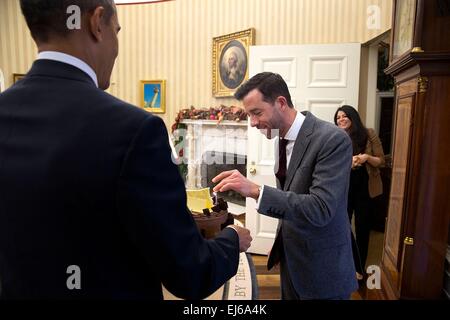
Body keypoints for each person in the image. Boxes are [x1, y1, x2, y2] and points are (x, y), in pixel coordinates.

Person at [0, 0, 252, 300]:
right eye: (116, 31)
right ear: (97, 22)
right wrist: (231, 240)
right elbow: (190, 273)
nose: (117, 46)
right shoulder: (136, 131)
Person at [212, 72, 358, 299]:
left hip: (323, 269)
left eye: (257, 112)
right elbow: (291, 197)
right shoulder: (281, 139)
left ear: (280, 103)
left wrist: (256, 191)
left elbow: (320, 208)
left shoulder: (332, 139)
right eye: (249, 114)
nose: (252, 122)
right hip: (292, 260)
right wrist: (282, 241)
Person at [334, 105, 385, 280]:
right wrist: (349, 163)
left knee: (363, 229)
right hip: (343, 188)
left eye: (344, 116)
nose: (341, 119)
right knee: (342, 226)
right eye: (338, 117)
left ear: (352, 117)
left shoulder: (368, 134)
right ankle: (346, 263)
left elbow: (381, 161)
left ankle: (360, 269)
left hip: (365, 189)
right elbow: (331, 163)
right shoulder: (335, 136)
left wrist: (366, 158)